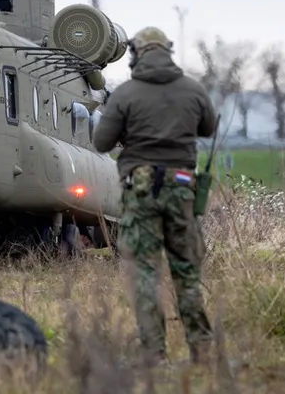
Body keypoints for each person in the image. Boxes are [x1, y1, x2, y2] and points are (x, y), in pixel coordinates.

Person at [92, 26, 217, 368]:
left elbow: (101, 143)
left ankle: (154, 355)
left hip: (142, 190)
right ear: (167, 51)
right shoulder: (193, 89)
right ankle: (202, 352)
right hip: (181, 188)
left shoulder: (126, 93)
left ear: (138, 53)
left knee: (144, 272)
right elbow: (208, 129)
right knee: (186, 271)